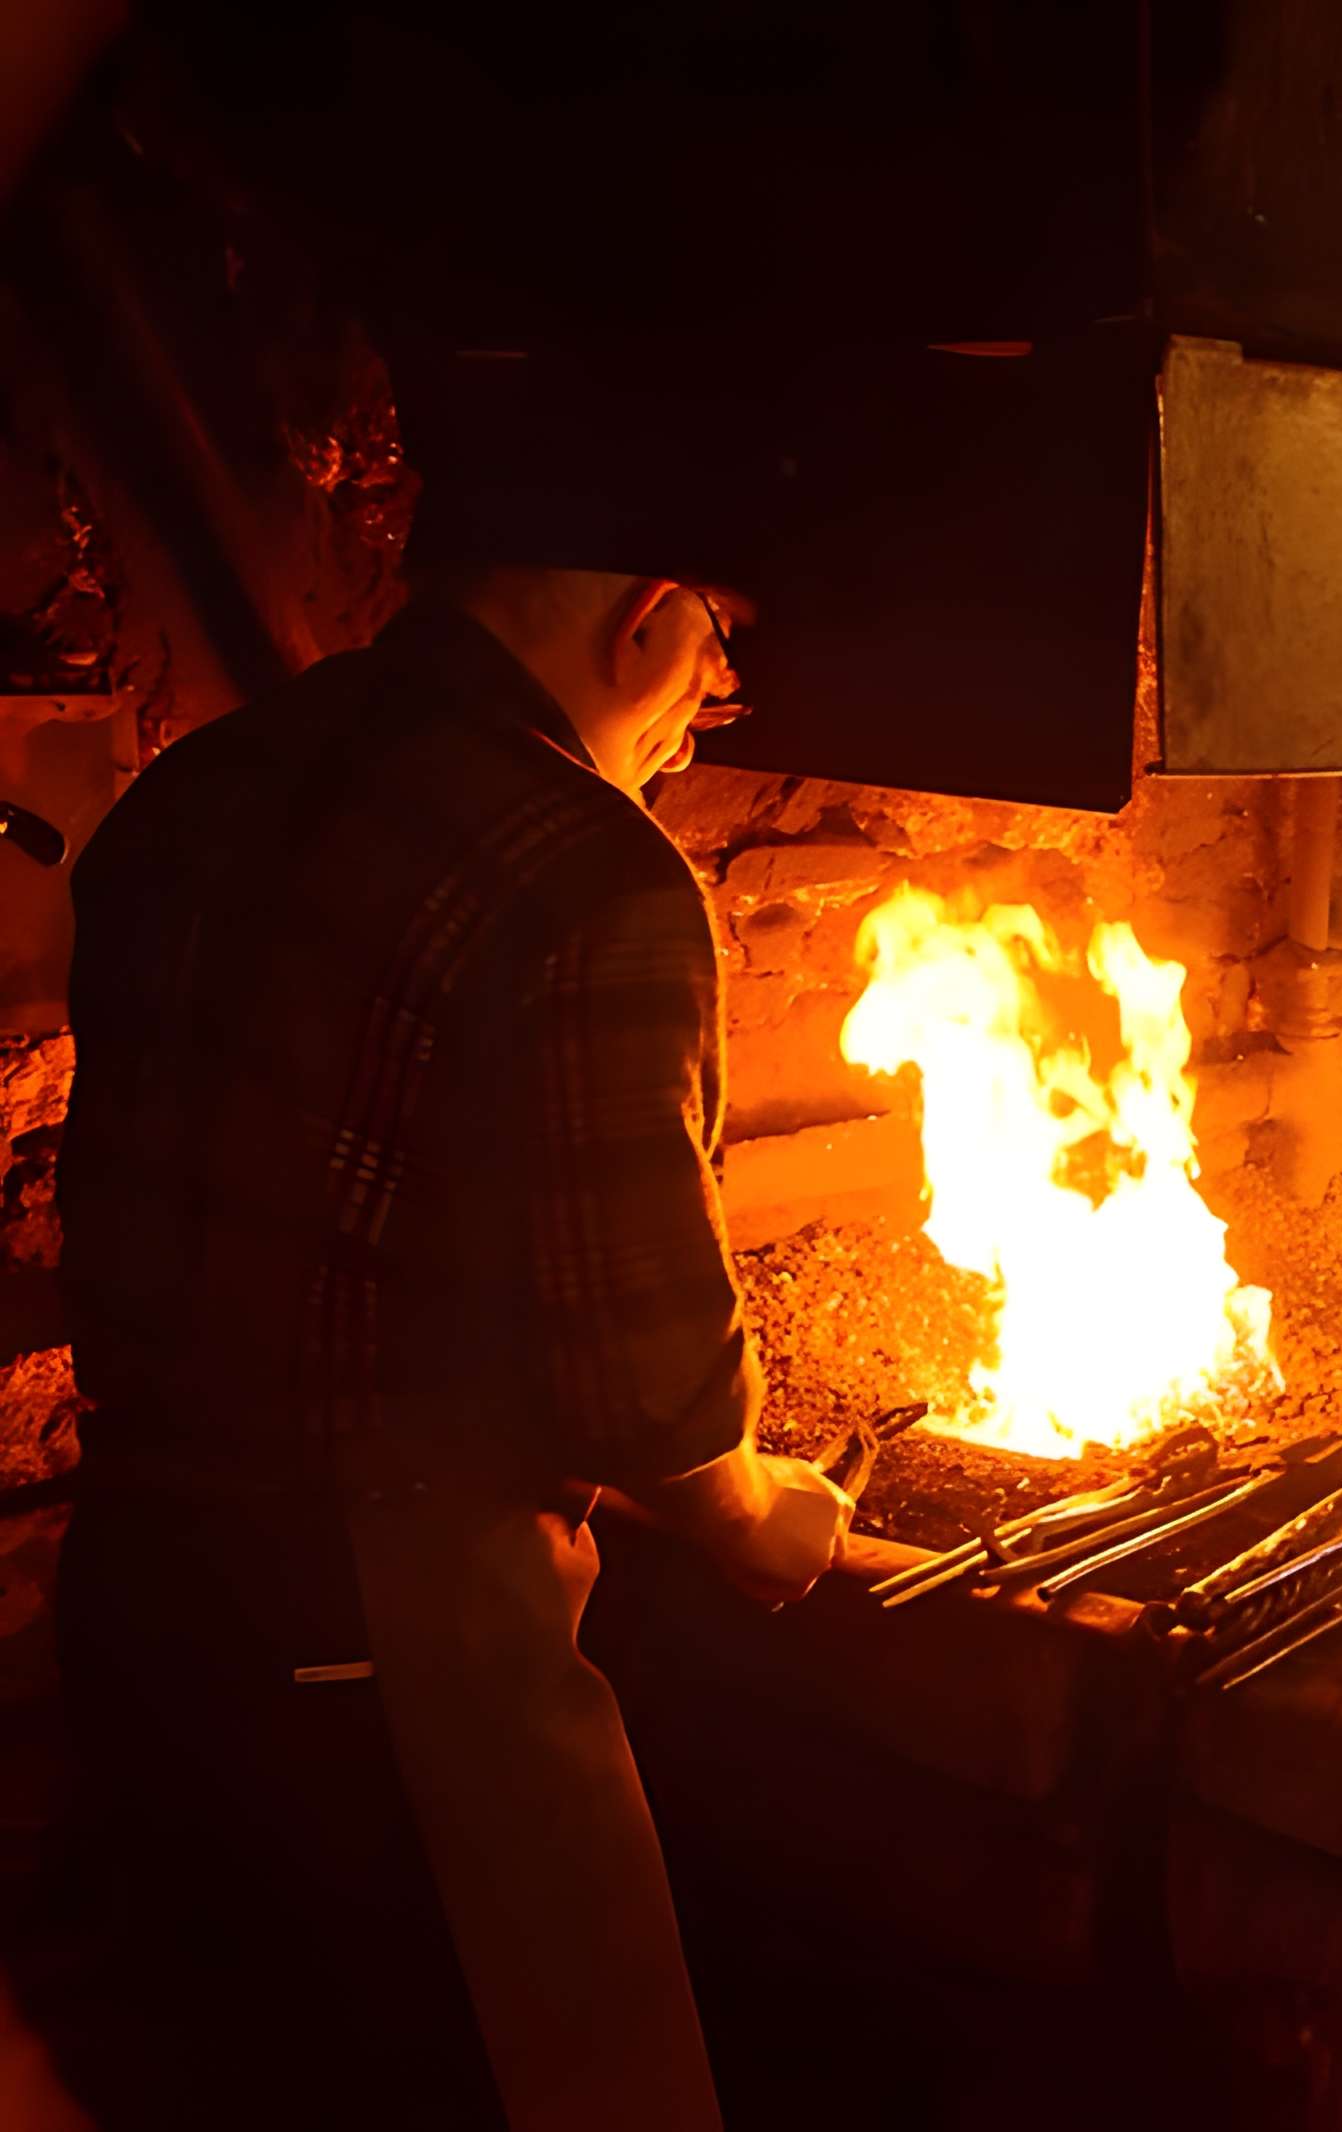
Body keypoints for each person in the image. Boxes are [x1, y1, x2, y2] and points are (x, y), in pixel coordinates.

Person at [53, 359, 851, 2129]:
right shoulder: (590, 870)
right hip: (385, 1646)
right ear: (650, 618)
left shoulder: (197, 791)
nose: (715, 699)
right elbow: (641, 1371)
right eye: (719, 646)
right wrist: (751, 1506)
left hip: (132, 1604)